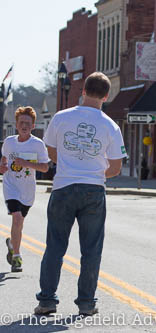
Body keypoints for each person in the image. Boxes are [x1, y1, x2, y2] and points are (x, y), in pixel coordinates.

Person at [35, 72, 127, 316]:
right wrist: (93, 172)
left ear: (83, 91)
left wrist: (69, 164)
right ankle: (86, 303)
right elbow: (116, 167)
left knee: (55, 245)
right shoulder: (111, 125)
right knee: (91, 249)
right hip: (94, 189)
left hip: (64, 186)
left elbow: (51, 150)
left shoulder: (61, 117)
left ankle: (47, 301)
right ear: (107, 96)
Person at [1, 106, 49, 273]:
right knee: (17, 218)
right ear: (16, 124)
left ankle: (11, 245)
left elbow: (44, 168)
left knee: (19, 222)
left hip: (27, 190)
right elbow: (4, 160)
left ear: (33, 126)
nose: (24, 126)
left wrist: (27, 164)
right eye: (21, 122)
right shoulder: (9, 142)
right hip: (11, 186)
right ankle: (17, 257)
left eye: (27, 123)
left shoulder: (38, 144)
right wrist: (2, 167)